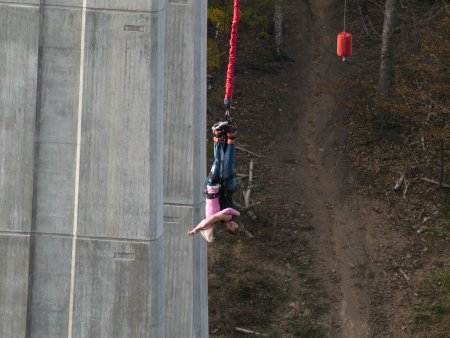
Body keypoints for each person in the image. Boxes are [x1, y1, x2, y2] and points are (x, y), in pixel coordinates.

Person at [187, 118, 239, 242]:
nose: (232, 224)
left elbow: (212, 219)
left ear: (227, 228)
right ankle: (229, 136)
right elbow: (217, 216)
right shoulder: (231, 215)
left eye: (231, 227)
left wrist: (197, 229)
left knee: (221, 162)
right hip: (227, 186)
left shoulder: (223, 218)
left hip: (218, 186)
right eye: (235, 225)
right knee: (227, 163)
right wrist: (198, 229)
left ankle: (220, 135)